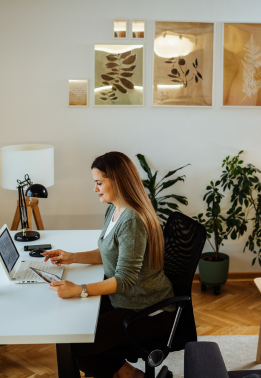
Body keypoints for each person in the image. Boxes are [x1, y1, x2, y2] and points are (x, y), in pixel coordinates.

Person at [42, 152, 175, 378]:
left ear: (118, 181)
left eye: (99, 183)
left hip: (148, 310)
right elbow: (107, 253)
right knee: (72, 331)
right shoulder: (114, 209)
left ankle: (128, 375)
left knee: (76, 346)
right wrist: (71, 256)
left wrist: (79, 290)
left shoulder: (131, 219)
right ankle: (131, 375)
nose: (95, 189)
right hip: (127, 299)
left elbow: (124, 280)